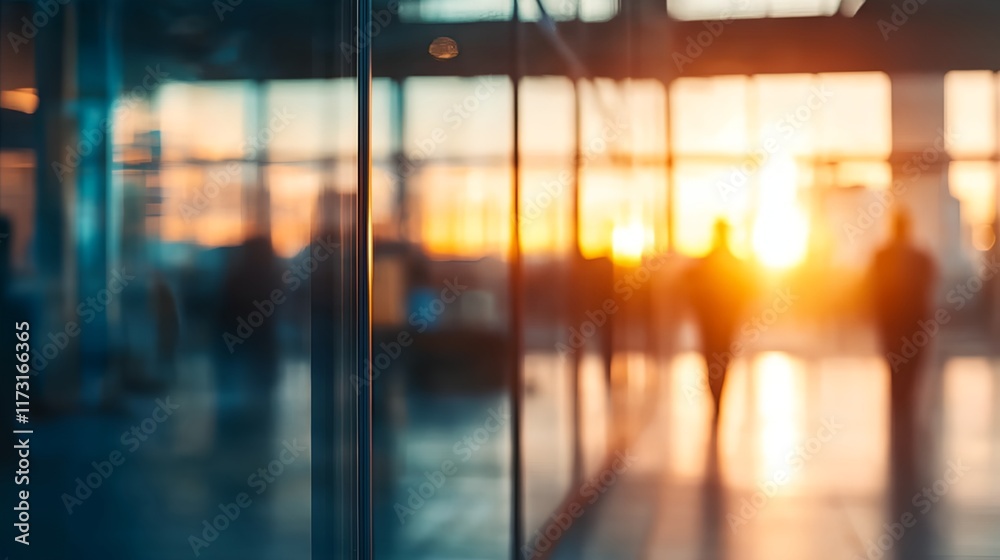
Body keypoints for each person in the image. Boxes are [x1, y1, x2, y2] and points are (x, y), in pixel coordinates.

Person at [866, 209, 936, 525]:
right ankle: (904, 410)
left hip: (895, 328)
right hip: (911, 326)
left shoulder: (882, 256)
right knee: (908, 373)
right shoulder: (920, 257)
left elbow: (871, 293)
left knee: (898, 374)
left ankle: (901, 409)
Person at [684, 219, 755, 426]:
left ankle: (716, 404)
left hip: (717, 324)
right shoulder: (727, 262)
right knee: (718, 364)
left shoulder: (713, 262)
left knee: (715, 363)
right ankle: (717, 403)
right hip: (717, 324)